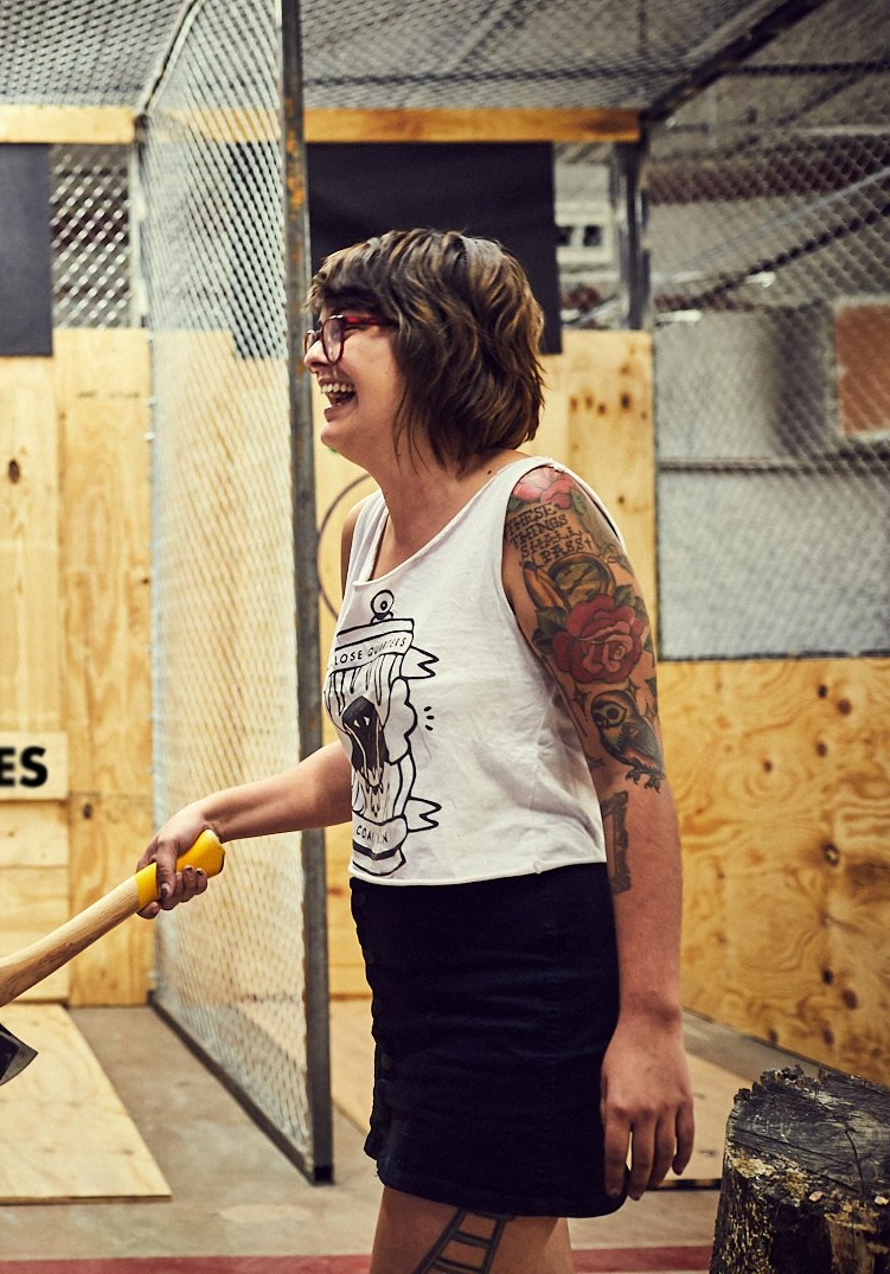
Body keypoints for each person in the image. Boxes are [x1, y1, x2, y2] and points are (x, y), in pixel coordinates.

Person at [139, 229, 693, 1273]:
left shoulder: (536, 515)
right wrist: (216, 814)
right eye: (318, 327)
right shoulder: (368, 540)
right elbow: (379, 758)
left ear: (437, 343)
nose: (316, 354)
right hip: (414, 961)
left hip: (519, 959)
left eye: (348, 326)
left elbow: (634, 771)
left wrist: (652, 1018)